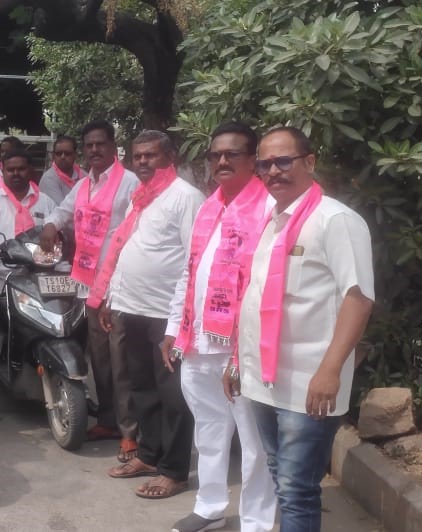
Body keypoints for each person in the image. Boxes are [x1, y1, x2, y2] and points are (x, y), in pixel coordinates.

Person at [234, 126, 374, 532]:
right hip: (263, 379)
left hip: (309, 383)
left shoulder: (336, 221)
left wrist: (330, 369)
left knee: (297, 489)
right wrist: (236, 363)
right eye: (265, 164)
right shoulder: (273, 221)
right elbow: (255, 299)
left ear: (309, 162)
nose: (273, 171)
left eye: (283, 161)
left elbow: (359, 297)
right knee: (282, 477)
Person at [163, 122, 278, 532]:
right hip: (197, 343)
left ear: (253, 162)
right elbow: (189, 272)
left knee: (253, 441)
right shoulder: (209, 207)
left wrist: (243, 351)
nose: (222, 161)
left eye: (232, 154)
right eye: (215, 155)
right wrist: (174, 328)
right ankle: (210, 506)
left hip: (241, 348)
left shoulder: (268, 209)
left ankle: (257, 523)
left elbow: (267, 287)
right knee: (209, 431)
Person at [96, 131, 204, 501]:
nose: (142, 162)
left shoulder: (185, 197)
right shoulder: (139, 198)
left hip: (166, 315)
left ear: (169, 157)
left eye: (150, 156)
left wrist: (181, 321)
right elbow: (125, 247)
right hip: (132, 307)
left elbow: (195, 259)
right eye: (137, 156)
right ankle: (148, 454)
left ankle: (174, 471)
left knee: (173, 395)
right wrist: (112, 297)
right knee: (142, 389)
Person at [40, 119, 140, 443]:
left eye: (101, 144)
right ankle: (109, 420)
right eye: (90, 146)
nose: (94, 150)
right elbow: (62, 211)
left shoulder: (130, 183)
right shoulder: (84, 185)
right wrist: (51, 226)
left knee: (120, 358)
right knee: (100, 358)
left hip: (118, 284)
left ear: (113, 146)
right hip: (87, 283)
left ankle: (129, 431)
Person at [0, 149, 57, 429]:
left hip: (38, 277)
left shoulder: (47, 202)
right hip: (0, 276)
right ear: (2, 170)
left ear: (31, 171)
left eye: (21, 169)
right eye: (11, 169)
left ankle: (68, 388)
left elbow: (56, 235)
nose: (16, 174)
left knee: (55, 326)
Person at [40, 135, 85, 204]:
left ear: (75, 155)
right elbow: (62, 209)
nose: (63, 157)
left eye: (67, 153)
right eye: (58, 153)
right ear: (53, 156)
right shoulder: (49, 178)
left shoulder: (84, 176)